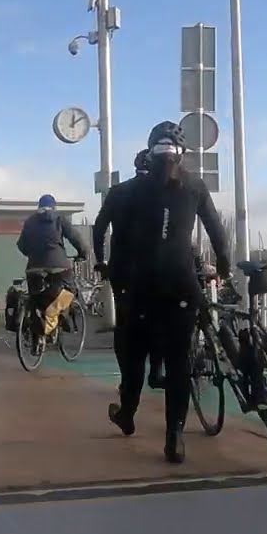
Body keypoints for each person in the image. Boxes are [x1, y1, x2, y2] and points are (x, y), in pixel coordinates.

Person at [107, 121, 232, 465]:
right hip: (181, 286)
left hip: (138, 288)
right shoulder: (194, 185)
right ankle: (174, 437)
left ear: (148, 154)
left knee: (133, 360)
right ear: (183, 154)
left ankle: (127, 413)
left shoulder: (128, 191)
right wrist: (223, 268)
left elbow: (111, 236)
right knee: (179, 365)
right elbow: (218, 234)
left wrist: (112, 273)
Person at [93, 149, 165, 389]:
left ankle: (127, 377)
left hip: (122, 269)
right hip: (155, 267)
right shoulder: (162, 191)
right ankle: (156, 371)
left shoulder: (118, 192)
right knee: (158, 319)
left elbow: (99, 228)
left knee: (124, 324)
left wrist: (101, 260)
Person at [16, 194, 88, 352]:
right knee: (70, 290)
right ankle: (54, 318)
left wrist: (33, 253)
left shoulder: (30, 222)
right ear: (54, 207)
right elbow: (76, 239)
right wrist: (83, 253)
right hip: (58, 266)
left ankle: (37, 339)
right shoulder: (59, 219)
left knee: (36, 299)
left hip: (34, 267)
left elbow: (21, 245)